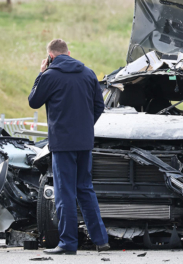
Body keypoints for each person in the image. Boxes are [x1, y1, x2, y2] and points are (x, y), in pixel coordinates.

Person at [28, 39, 109, 255]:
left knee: (65, 192)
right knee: (85, 189)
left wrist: (40, 73)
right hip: (84, 142)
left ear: (51, 57)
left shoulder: (49, 76)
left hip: (62, 144)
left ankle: (68, 243)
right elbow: (99, 106)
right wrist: (84, 127)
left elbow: (33, 101)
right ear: (69, 53)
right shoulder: (88, 73)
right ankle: (101, 240)